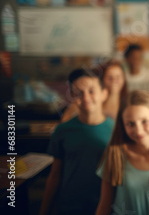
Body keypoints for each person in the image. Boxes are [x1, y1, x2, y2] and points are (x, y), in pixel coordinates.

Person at [40, 68, 114, 215]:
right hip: (69, 206)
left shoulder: (117, 130)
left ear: (104, 94)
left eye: (91, 91)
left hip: (106, 206)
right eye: (78, 93)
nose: (85, 97)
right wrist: (44, 210)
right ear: (72, 96)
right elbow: (55, 175)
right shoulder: (63, 130)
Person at [96, 90, 149, 215]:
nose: (138, 131)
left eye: (144, 121)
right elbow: (104, 206)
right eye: (130, 124)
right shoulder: (115, 154)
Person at [61, 60, 126, 122]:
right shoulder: (85, 104)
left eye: (118, 77)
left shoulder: (127, 105)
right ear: (101, 80)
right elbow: (65, 126)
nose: (114, 81)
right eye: (109, 77)